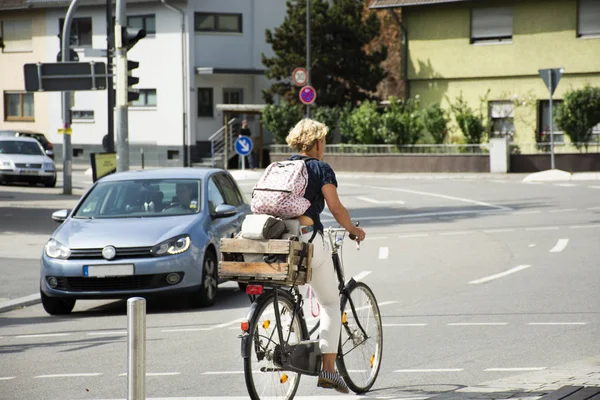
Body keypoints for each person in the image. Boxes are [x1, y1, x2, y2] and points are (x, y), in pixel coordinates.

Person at [285, 118, 366, 394]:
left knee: (289, 291)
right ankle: (328, 370)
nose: (325, 147)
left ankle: (285, 320)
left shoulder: (282, 167)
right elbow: (335, 207)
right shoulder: (320, 168)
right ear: (317, 143)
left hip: (277, 240)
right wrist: (353, 229)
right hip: (307, 238)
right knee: (331, 303)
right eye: (324, 141)